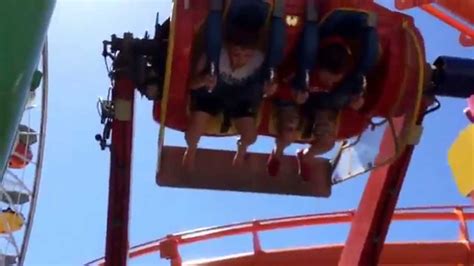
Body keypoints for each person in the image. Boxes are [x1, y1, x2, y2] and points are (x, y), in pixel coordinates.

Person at [182, 5, 276, 170]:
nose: (240, 60)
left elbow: (265, 85)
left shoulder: (258, 61)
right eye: (236, 54)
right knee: (194, 130)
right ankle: (191, 149)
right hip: (212, 95)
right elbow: (191, 84)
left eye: (246, 55)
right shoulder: (214, 56)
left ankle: (241, 149)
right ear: (228, 48)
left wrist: (269, 88)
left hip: (238, 99)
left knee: (251, 136)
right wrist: (203, 80)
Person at [267, 36, 366, 179]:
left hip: (321, 104)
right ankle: (277, 153)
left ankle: (306, 156)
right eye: (327, 78)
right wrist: (293, 94)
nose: (330, 82)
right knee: (288, 130)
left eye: (334, 79)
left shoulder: (347, 75)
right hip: (293, 99)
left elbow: (350, 96)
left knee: (327, 142)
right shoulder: (300, 68)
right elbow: (277, 86)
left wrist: (354, 102)